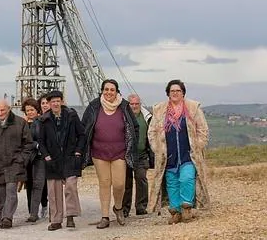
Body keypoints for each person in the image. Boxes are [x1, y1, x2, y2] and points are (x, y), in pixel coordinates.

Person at [147, 79, 210, 224]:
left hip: (188, 153)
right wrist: (157, 148)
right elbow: (152, 131)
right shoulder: (159, 110)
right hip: (168, 154)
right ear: (168, 94)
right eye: (172, 91)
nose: (175, 93)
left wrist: (198, 145)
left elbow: (203, 129)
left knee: (186, 178)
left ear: (183, 93)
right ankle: (175, 211)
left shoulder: (193, 108)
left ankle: (186, 207)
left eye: (178, 91)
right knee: (172, 182)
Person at [81, 79, 138, 229]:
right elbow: (84, 126)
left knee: (119, 184)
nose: (109, 92)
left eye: (112, 90)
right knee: (104, 183)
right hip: (99, 152)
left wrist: (132, 146)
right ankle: (105, 217)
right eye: (106, 89)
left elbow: (135, 127)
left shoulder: (124, 106)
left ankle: (118, 207)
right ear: (102, 91)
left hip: (120, 152)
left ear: (117, 92)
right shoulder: (94, 106)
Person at [0, 99, 33, 229]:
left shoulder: (20, 123)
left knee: (11, 192)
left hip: (14, 164)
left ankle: (7, 218)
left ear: (8, 109)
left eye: (2, 110)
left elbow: (28, 144)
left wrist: (22, 160)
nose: (0, 113)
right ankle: (2, 218)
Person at [39, 91, 86, 231]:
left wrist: (78, 151)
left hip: (70, 156)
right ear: (49, 103)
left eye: (58, 101)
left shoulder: (71, 115)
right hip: (53, 159)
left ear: (62, 101)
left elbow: (82, 134)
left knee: (71, 186)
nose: (55, 104)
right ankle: (56, 220)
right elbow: (41, 141)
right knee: (54, 190)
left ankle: (70, 216)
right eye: (52, 101)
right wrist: (46, 156)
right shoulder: (44, 119)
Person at [122, 94, 154, 217]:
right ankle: (124, 209)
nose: (134, 106)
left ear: (140, 104)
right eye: (132, 104)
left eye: (137, 104)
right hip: (126, 155)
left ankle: (141, 207)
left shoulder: (147, 117)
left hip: (142, 155)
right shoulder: (124, 117)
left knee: (141, 179)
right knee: (126, 182)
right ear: (128, 105)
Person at [21, 97, 46, 223]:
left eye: (32, 110)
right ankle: (32, 212)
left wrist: (36, 145)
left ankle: (36, 212)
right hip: (27, 158)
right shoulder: (22, 124)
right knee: (29, 185)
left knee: (38, 184)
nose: (30, 112)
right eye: (28, 110)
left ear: (37, 110)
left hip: (39, 157)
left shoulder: (41, 122)